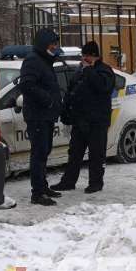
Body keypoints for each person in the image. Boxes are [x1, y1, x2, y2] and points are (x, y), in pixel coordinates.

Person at [51, 41, 116, 194]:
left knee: (96, 154)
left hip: (97, 121)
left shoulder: (104, 71)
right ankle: (68, 181)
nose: (84, 59)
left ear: (95, 56)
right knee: (75, 153)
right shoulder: (80, 71)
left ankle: (96, 182)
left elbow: (103, 87)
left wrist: (89, 70)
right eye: (83, 56)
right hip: (80, 120)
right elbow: (72, 91)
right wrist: (66, 111)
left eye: (87, 56)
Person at [19, 29, 64, 206]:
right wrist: (48, 100)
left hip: (46, 116)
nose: (56, 47)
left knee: (44, 152)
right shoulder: (33, 61)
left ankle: (43, 186)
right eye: (53, 43)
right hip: (37, 116)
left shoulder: (45, 61)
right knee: (38, 153)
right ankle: (37, 193)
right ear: (44, 44)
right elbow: (27, 85)